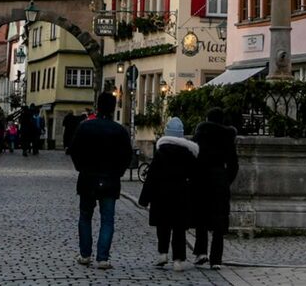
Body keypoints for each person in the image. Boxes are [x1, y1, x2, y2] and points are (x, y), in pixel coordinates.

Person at [68, 91, 133, 270]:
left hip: (87, 178)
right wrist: (118, 172)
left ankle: (85, 254)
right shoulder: (119, 130)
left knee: (85, 217)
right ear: (113, 109)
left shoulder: (84, 127)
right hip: (110, 179)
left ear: (98, 106)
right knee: (107, 219)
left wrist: (80, 167)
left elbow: (73, 150)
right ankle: (103, 258)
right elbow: (128, 156)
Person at [138, 116, 199, 271]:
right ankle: (178, 259)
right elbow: (195, 176)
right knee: (179, 228)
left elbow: (151, 176)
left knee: (163, 226)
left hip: (161, 194)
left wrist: (144, 199)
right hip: (181, 194)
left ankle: (163, 254)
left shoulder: (161, 152)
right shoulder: (188, 153)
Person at [192, 108, 239, 271]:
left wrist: (193, 176)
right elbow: (233, 163)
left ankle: (201, 252)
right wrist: (226, 179)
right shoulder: (228, 136)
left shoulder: (201, 133)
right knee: (219, 220)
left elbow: (193, 157)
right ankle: (216, 259)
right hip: (220, 178)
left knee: (201, 217)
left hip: (202, 178)